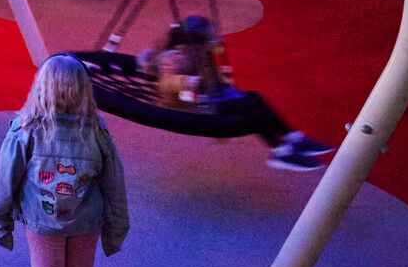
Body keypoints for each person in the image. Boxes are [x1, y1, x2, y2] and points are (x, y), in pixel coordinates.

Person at [0, 54, 130, 267]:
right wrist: (116, 230)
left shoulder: (26, 130)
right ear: (86, 91)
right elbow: (115, 185)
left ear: (42, 89)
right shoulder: (97, 133)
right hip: (86, 223)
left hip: (43, 225)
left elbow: (5, 180)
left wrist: (1, 223)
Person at [139, 15, 330, 171]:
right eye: (209, 41)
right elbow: (166, 84)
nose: (213, 45)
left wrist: (224, 86)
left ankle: (292, 138)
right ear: (196, 43)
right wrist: (184, 82)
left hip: (205, 101)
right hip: (185, 108)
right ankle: (280, 152)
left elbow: (213, 82)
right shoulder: (174, 58)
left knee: (254, 97)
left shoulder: (199, 55)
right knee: (247, 107)